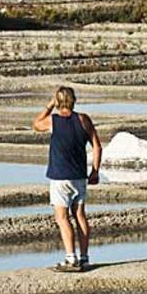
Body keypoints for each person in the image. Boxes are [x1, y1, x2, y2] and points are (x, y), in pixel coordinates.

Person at [33, 87, 102, 272]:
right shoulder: (83, 119)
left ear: (58, 101)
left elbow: (36, 124)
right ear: (74, 100)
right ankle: (84, 258)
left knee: (62, 217)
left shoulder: (53, 120)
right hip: (79, 175)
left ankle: (71, 257)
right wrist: (95, 171)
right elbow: (97, 146)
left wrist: (49, 105)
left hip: (60, 176)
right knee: (80, 215)